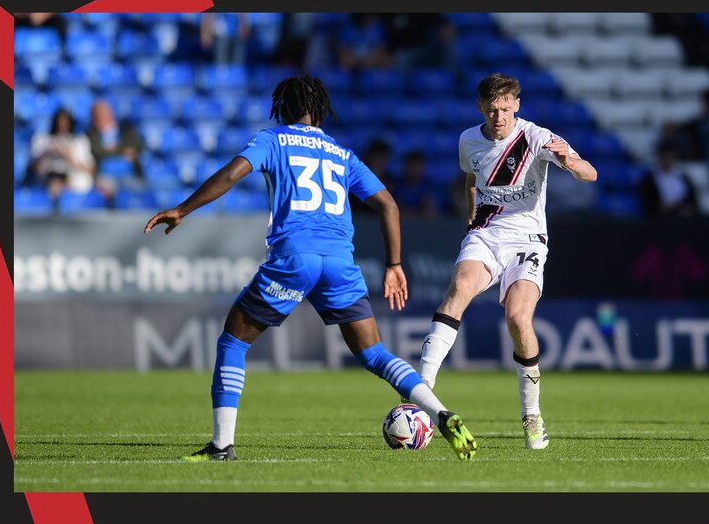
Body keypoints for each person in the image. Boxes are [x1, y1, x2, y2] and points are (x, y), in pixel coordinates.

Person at [143, 75, 477, 461]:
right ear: (319, 110)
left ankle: (221, 446)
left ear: (283, 108)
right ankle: (440, 413)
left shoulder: (274, 139)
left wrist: (182, 208)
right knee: (375, 354)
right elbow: (388, 205)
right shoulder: (341, 152)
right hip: (339, 261)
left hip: (294, 258)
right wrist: (394, 264)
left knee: (233, 341)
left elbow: (233, 174)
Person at [411, 72, 597, 450]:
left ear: (517, 105)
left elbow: (590, 174)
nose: (499, 116)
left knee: (517, 317)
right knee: (460, 286)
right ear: (480, 107)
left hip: (528, 239)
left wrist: (570, 162)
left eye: (506, 108)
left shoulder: (536, 137)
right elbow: (470, 178)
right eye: (492, 109)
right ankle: (421, 392)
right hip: (486, 234)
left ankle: (532, 415)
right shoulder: (468, 139)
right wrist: (470, 213)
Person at [26, 108, 96, 207]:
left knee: (83, 180)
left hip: (73, 180)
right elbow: (33, 169)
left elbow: (90, 170)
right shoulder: (42, 140)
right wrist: (49, 154)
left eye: (65, 124)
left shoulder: (80, 141)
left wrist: (69, 156)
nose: (62, 127)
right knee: (53, 185)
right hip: (48, 179)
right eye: (59, 123)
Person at [637, 140, 700, 219]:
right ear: (658, 157)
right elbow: (650, 205)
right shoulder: (649, 180)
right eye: (664, 155)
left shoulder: (683, 178)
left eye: (669, 155)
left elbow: (693, 202)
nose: (666, 159)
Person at [390, 150, 439, 218]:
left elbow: (429, 212)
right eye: (411, 165)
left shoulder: (427, 186)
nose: (414, 169)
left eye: (417, 166)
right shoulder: (398, 186)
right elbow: (397, 211)